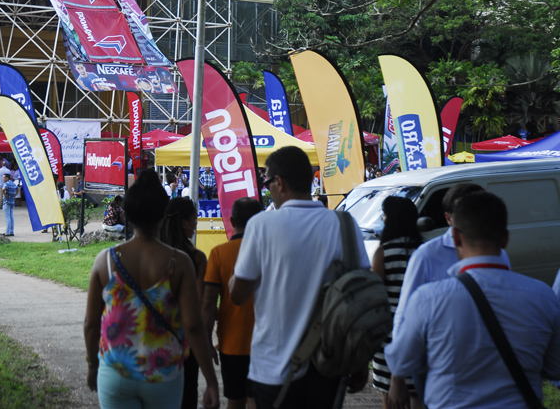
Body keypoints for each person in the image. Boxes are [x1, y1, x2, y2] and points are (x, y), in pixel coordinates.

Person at [385, 191, 560, 408]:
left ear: (456, 237)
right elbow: (555, 368)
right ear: (505, 238)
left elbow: (401, 361)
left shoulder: (428, 298)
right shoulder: (543, 297)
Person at [230, 146, 369, 408]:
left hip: (273, 369)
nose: (269, 190)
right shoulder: (344, 224)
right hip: (329, 365)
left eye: (267, 184)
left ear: (279, 182)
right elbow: (361, 297)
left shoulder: (261, 225)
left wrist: (235, 279)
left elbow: (238, 296)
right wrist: (360, 359)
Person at [83, 170, 220, 409]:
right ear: (163, 214)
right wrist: (211, 381)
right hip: (164, 375)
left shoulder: (105, 261)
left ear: (127, 214)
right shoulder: (180, 263)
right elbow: (194, 326)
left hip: (115, 374)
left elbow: (91, 324)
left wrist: (93, 366)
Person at [203, 197, 264, 409]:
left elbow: (208, 303)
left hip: (232, 342)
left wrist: (207, 342)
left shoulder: (219, 254)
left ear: (231, 221)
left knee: (235, 401)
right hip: (266, 342)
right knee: (259, 401)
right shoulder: (271, 251)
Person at [370, 197, 424, 409]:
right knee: (418, 394)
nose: (382, 218)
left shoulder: (383, 252)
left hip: (390, 335)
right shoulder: (423, 250)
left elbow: (376, 297)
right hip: (420, 332)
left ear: (391, 219)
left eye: (384, 214)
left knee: (390, 397)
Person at [161, 197, 208, 409]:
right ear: (184, 222)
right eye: (194, 219)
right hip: (185, 343)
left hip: (154, 338)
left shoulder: (155, 255)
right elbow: (197, 308)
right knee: (187, 396)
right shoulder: (196, 259)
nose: (196, 224)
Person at [2, 172, 17, 236]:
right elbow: (17, 189)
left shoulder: (6, 183)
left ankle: (7, 232)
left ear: (6, 178)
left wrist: (4, 194)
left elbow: (3, 189)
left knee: (7, 217)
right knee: (11, 217)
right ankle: (11, 231)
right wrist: (15, 195)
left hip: (7, 201)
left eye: (3, 177)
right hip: (12, 201)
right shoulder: (13, 183)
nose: (3, 179)